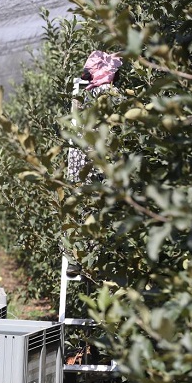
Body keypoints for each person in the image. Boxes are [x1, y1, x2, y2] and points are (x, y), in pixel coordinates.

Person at [64, 50, 123, 277]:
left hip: (78, 162)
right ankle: (98, 257)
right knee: (103, 207)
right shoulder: (110, 94)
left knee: (79, 207)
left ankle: (75, 258)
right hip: (100, 161)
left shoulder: (80, 96)